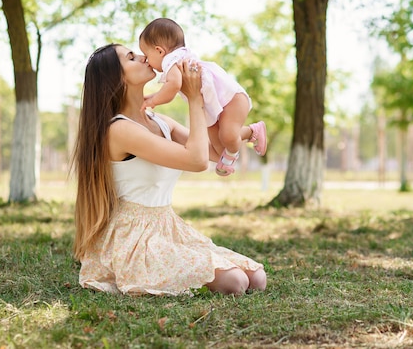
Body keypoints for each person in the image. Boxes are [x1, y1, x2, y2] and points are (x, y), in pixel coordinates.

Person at [71, 43, 267, 296]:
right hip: (133, 239)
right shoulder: (119, 129)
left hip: (167, 227)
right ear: (116, 78)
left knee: (257, 277)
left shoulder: (159, 121)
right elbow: (196, 161)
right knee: (235, 283)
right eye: (132, 57)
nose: (144, 58)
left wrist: (212, 99)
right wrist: (193, 99)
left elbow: (215, 152)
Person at [139, 18, 267, 176]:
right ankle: (242, 140)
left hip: (229, 99)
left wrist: (153, 100)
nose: (145, 60)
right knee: (219, 147)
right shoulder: (177, 58)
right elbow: (169, 87)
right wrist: (153, 96)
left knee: (227, 136)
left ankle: (247, 136)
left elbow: (173, 85)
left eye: (146, 54)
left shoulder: (170, 61)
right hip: (209, 105)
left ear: (160, 51)